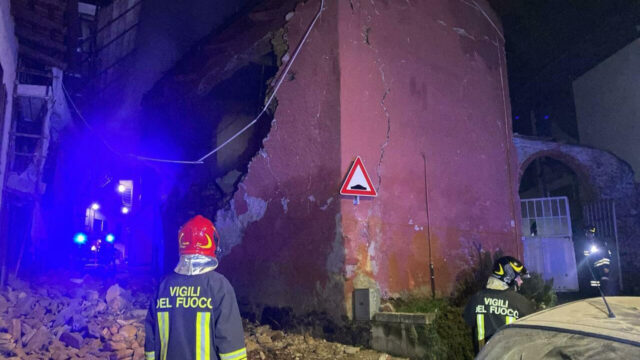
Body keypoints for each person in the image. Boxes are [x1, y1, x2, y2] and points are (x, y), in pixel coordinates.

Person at [145, 215, 247, 360]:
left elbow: (151, 340)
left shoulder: (164, 286)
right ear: (212, 243)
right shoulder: (219, 286)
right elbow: (231, 343)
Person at [463, 256, 536, 354]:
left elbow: (468, 320)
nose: (521, 281)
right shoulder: (520, 302)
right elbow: (535, 332)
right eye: (519, 278)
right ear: (509, 276)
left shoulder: (477, 298)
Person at [582, 225, 614, 294]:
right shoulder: (585, 243)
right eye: (588, 233)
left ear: (593, 234)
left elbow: (606, 254)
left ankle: (605, 293)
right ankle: (596, 293)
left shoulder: (600, 242)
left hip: (602, 266)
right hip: (593, 266)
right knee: (594, 282)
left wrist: (606, 267)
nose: (589, 235)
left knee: (604, 280)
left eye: (590, 233)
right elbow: (586, 255)